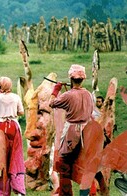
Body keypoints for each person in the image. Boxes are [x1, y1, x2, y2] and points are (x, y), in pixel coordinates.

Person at [49, 64, 94, 195]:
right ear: (83, 79)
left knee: (63, 163)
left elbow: (51, 103)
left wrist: (56, 90)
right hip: (87, 131)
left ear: (71, 78)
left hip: (72, 131)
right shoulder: (88, 95)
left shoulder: (68, 95)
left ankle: (66, 193)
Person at [0, 76, 26, 196]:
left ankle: (1, 191)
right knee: (16, 157)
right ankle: (18, 188)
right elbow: (21, 112)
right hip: (14, 126)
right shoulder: (16, 97)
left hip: (0, 127)